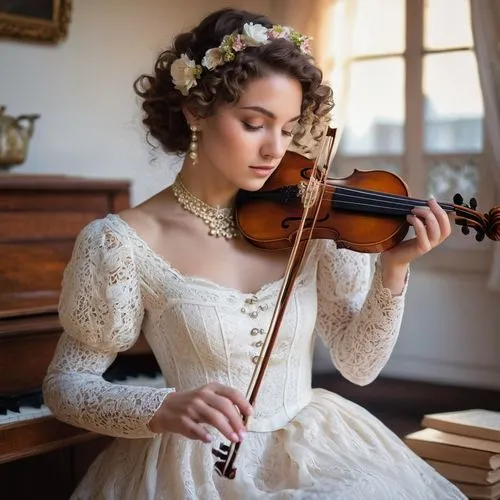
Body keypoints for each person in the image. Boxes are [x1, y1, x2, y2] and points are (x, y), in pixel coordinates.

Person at [42, 8, 466, 500]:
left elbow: (358, 365)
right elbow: (66, 384)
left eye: (287, 130)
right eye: (253, 123)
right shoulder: (120, 242)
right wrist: (160, 406)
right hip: (194, 468)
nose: (274, 150)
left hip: (316, 446)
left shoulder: (316, 224)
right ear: (194, 111)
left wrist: (393, 269)